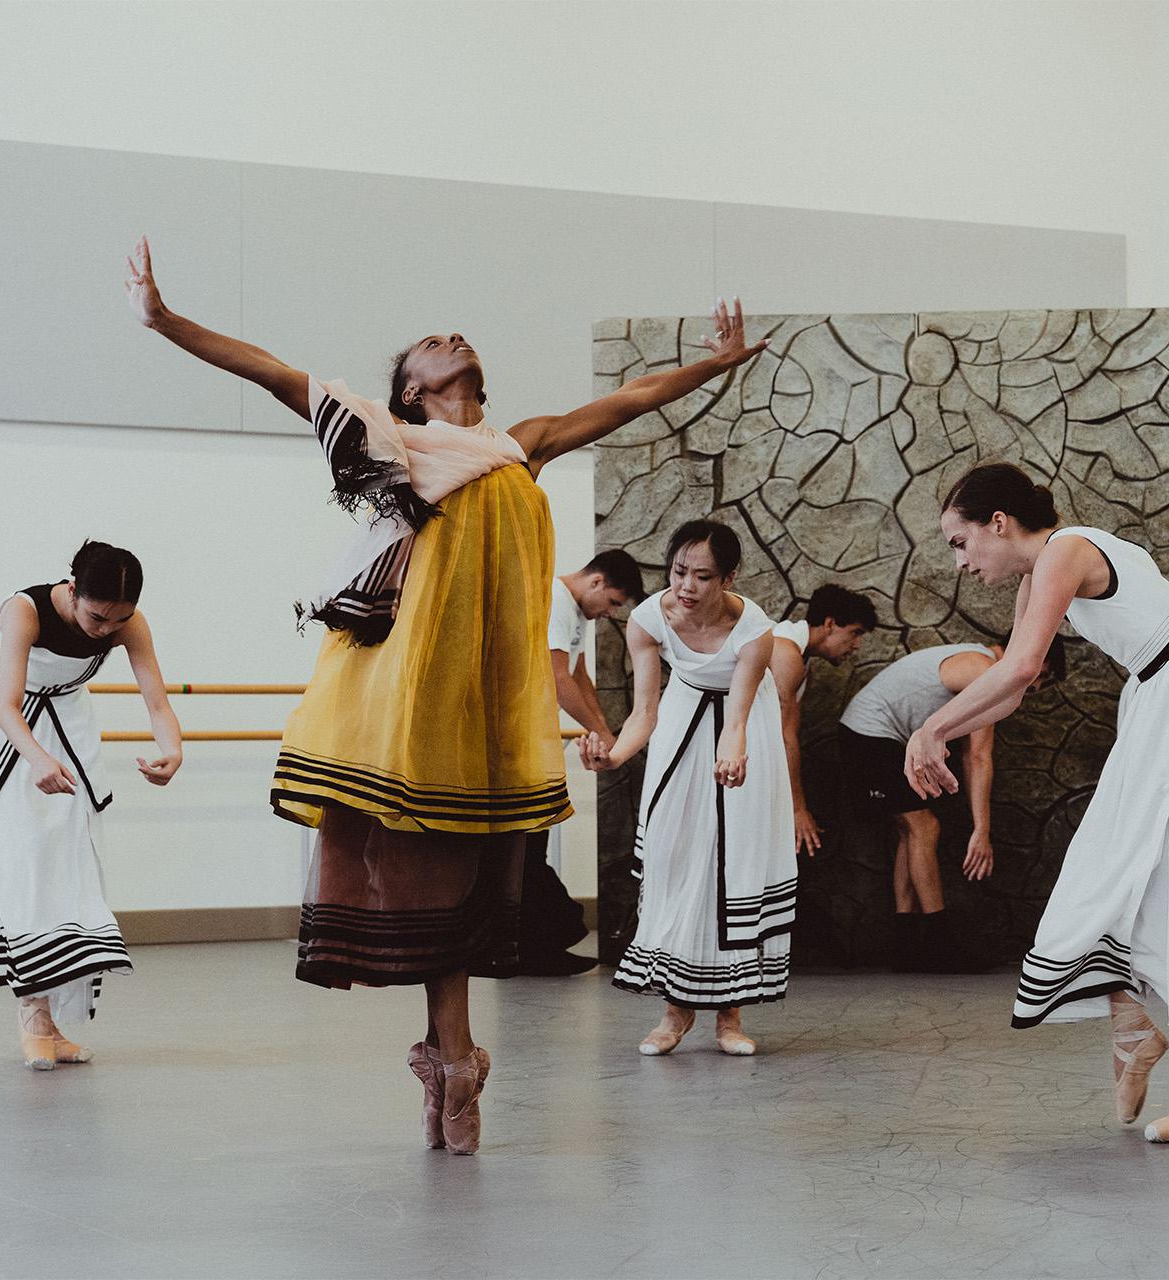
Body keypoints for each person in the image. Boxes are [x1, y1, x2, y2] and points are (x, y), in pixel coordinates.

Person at [128, 238, 766, 1153]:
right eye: (431, 340)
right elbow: (268, 370)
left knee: (465, 874)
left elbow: (625, 403)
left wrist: (717, 361)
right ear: (410, 387)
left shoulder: (518, 445)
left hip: (484, 699)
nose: (451, 336)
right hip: (402, 693)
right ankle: (455, 1059)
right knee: (425, 859)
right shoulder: (393, 442)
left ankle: (453, 1056)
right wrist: (164, 320)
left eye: (456, 335)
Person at [905, 463, 1169, 1144]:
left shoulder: (1067, 549)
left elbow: (1012, 669)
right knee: (1112, 865)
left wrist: (932, 729)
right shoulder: (1044, 574)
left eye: (960, 542)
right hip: (1165, 700)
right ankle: (1133, 1026)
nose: (960, 563)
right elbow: (1017, 684)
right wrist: (939, 731)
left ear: (999, 523)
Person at [0, 541, 184, 1067]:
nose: (105, 630)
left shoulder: (128, 622)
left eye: (118, 620)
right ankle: (32, 1012)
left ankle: (51, 1018)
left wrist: (172, 749)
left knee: (71, 861)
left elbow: (157, 700)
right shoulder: (23, 610)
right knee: (23, 862)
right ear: (73, 590)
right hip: (5, 735)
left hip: (69, 728)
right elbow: (6, 705)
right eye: (97, 616)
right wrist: (36, 760)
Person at [584, 520, 794, 1057]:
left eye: (703, 576)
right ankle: (674, 1014)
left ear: (728, 577)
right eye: (679, 571)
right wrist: (611, 756)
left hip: (746, 729)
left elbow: (738, 718)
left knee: (732, 863)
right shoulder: (648, 620)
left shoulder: (756, 631)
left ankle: (730, 1018)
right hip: (681, 717)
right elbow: (644, 713)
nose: (687, 585)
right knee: (675, 854)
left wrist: (733, 755)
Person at [838, 638, 1065, 971]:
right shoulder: (984, 670)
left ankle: (906, 943)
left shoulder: (980, 661)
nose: (1034, 687)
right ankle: (939, 941)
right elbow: (976, 756)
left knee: (912, 831)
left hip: (877, 736)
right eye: (1039, 675)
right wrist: (982, 832)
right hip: (870, 735)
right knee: (924, 826)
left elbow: (972, 754)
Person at [520, 549, 647, 976]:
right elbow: (556, 679)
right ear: (596, 582)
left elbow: (578, 677)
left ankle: (542, 945)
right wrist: (605, 735)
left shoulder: (574, 613)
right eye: (612, 602)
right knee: (526, 847)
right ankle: (549, 938)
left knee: (531, 843)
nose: (608, 613)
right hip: (517, 738)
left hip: (534, 738)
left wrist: (604, 733)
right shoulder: (556, 599)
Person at [767, 583, 877, 858]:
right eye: (855, 633)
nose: (857, 645)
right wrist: (797, 809)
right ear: (829, 624)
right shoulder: (786, 652)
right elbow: (784, 735)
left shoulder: (802, 662)